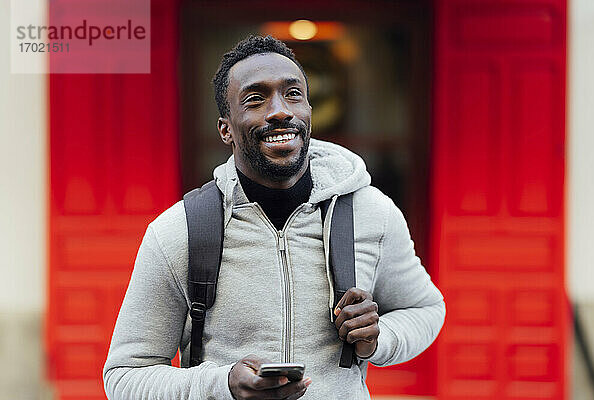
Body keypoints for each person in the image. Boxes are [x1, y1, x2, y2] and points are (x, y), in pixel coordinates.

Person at [103, 35, 445, 400]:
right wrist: (221, 385)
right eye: (255, 98)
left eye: (293, 94)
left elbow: (424, 309)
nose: (280, 111)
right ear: (226, 129)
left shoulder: (371, 213)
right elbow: (124, 376)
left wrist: (379, 338)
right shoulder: (179, 231)